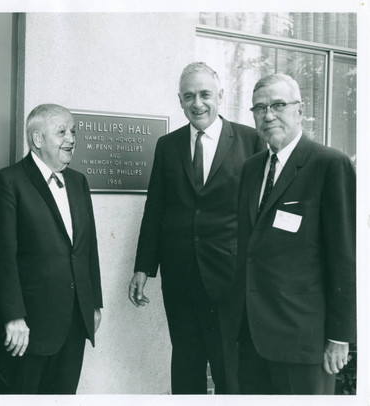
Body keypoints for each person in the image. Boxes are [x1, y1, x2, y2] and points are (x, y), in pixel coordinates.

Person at [128, 62, 264, 394]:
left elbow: (259, 216)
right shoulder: (167, 145)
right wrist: (143, 267)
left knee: (228, 371)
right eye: (189, 96)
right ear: (179, 100)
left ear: (220, 95)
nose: (197, 103)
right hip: (180, 279)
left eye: (205, 94)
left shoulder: (251, 141)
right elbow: (156, 210)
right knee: (186, 368)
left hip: (228, 278)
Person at [231, 73, 356, 394]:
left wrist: (339, 337)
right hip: (253, 337)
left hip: (304, 342)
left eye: (278, 105)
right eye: (259, 108)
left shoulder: (329, 165)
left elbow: (346, 257)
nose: (268, 115)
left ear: (300, 110)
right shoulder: (251, 168)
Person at [0, 104, 103, 394]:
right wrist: (13, 316)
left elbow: (87, 248)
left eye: (73, 131)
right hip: (27, 328)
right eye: (62, 132)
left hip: (74, 323)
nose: (71, 138)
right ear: (37, 139)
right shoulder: (6, 183)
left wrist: (93, 303)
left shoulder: (78, 182)